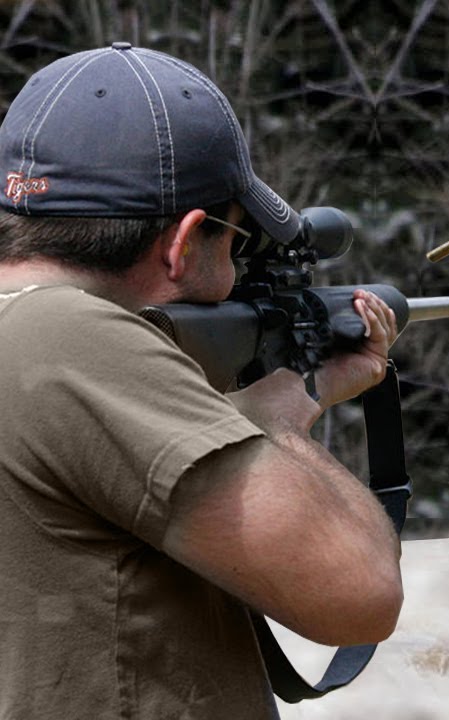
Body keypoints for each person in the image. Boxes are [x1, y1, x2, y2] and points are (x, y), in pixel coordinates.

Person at [0, 43, 403, 718]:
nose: (237, 276)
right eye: (236, 242)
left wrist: (275, 397)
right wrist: (272, 424)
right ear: (183, 241)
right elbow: (358, 594)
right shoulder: (71, 339)